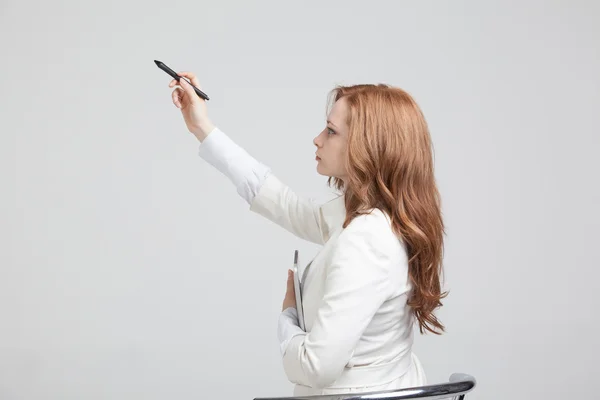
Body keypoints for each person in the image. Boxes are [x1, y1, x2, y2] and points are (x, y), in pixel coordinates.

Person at [167, 73, 446, 396]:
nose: (317, 139)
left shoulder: (367, 239)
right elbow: (290, 207)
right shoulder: (379, 218)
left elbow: (317, 366)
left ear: (367, 148)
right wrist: (202, 127)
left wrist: (289, 318)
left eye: (331, 131)